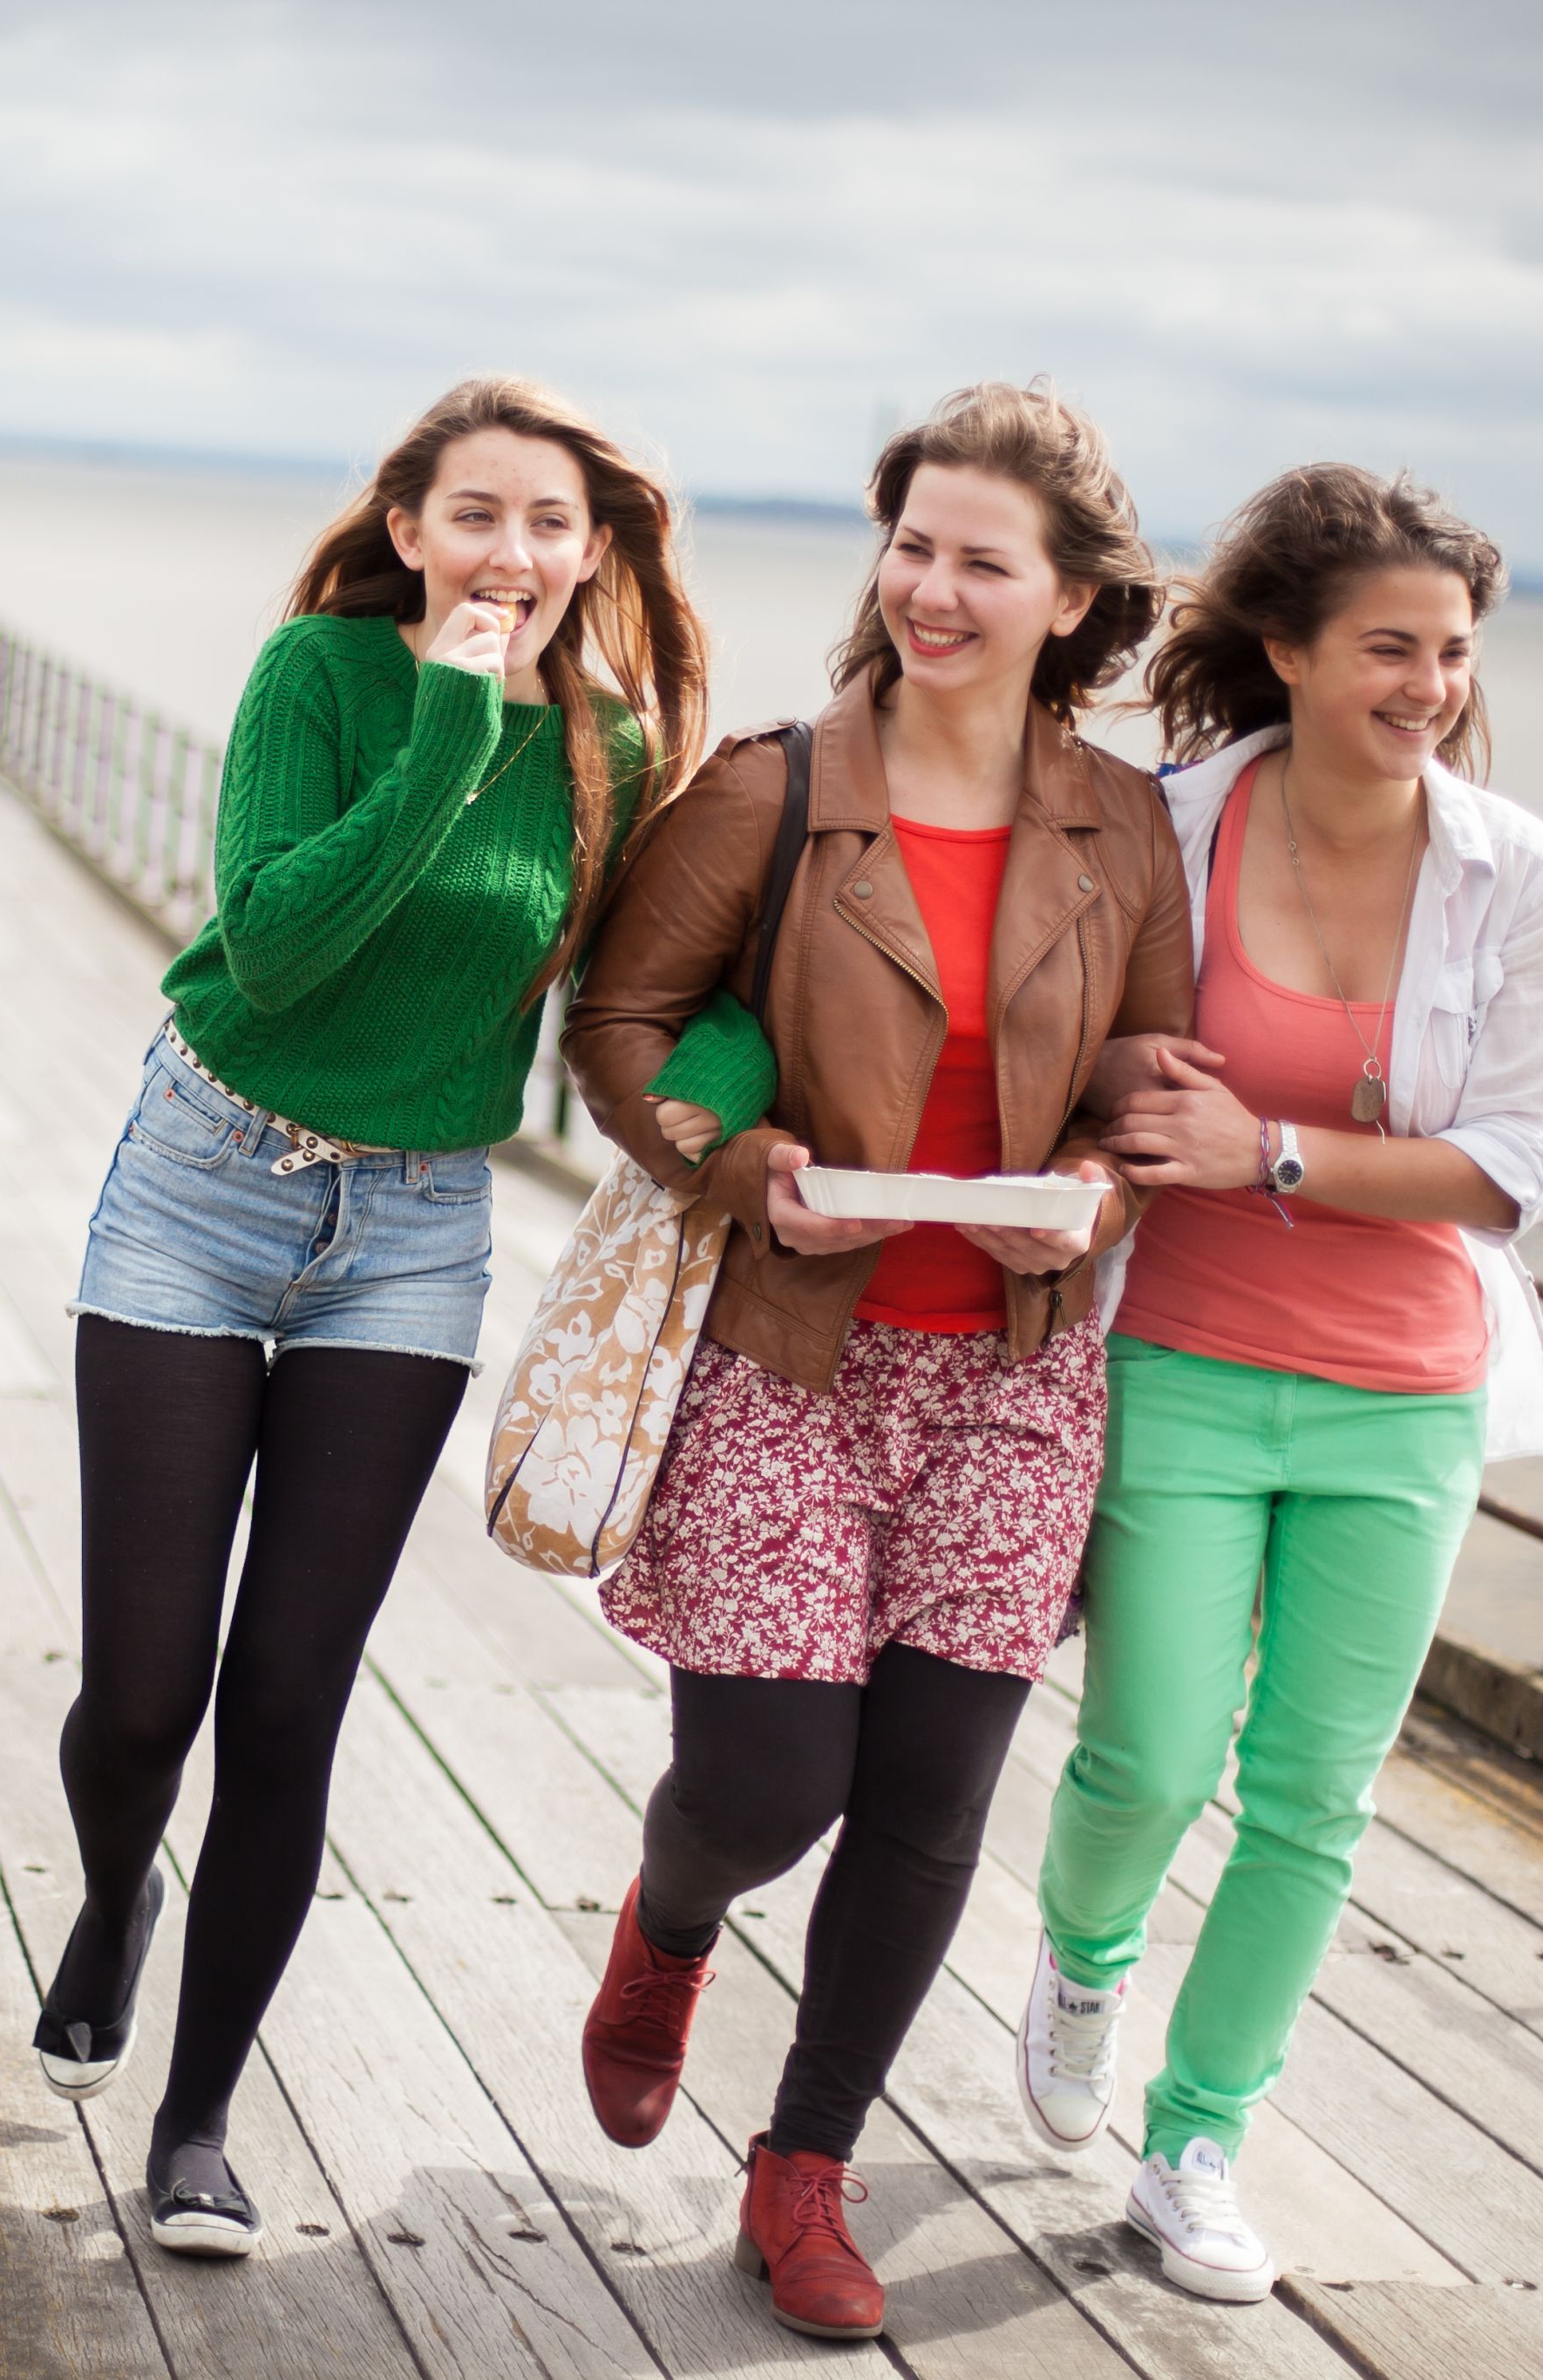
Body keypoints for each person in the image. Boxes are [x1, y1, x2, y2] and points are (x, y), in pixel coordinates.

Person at [44, 377, 706, 2257]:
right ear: (407, 529)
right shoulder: (321, 682)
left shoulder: (612, 755)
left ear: (594, 553)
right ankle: (111, 1896)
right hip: (195, 1185)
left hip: (410, 1231)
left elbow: (643, 995)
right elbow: (277, 943)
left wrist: (727, 1116)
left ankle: (193, 2121)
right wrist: (446, 713)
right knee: (143, 1694)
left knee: (283, 1706)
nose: (512, 553)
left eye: (549, 526)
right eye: (475, 515)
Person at [560, 380, 1190, 2343]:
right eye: (908, 543)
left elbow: (1146, 1085)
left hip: (1008, 1381)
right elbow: (616, 1029)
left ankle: (803, 2171)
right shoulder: (766, 788)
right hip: (786, 1356)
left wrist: (1090, 1194)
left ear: (1072, 599)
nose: (928, 586)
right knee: (761, 1783)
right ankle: (670, 1924)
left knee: (927, 1801)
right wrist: (748, 1172)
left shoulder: (1122, 824)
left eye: (977, 560)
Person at [1019, 465, 1543, 2303]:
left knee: (1309, 1799)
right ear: (1287, 647)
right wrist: (1121, 1097)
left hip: (1400, 1392)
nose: (1425, 683)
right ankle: (1081, 1953)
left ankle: (1197, 2137)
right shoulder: (1158, 825)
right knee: (1148, 1752)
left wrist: (1265, 1146)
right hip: (1178, 1356)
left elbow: (1509, 1169)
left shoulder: (1512, 869)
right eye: (1386, 647)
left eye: (1449, 652)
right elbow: (1074, 1051)